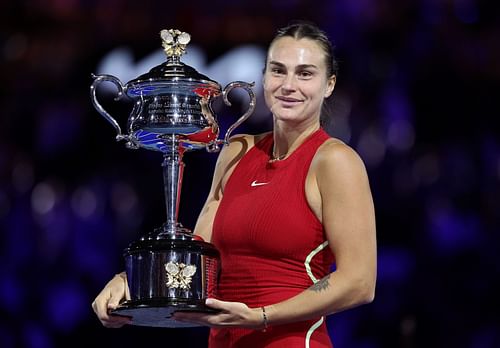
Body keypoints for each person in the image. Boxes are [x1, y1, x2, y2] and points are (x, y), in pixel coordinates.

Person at [92, 20, 377, 347]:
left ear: (329, 85)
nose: (288, 85)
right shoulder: (236, 150)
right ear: (264, 78)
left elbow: (359, 282)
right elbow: (197, 260)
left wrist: (261, 316)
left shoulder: (335, 161)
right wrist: (128, 282)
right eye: (278, 71)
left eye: (305, 74)